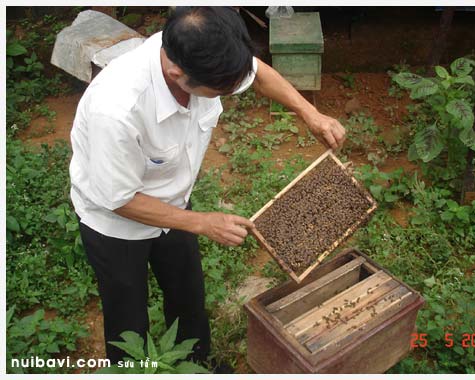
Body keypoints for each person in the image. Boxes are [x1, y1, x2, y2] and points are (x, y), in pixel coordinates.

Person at [69, 6, 345, 369]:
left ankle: (196, 365)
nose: (232, 92)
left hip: (175, 204)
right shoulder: (117, 109)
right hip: (116, 223)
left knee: (188, 297)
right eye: (221, 90)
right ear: (177, 74)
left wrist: (310, 113)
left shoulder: (203, 53)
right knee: (127, 316)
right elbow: (118, 198)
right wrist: (202, 223)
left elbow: (258, 74)